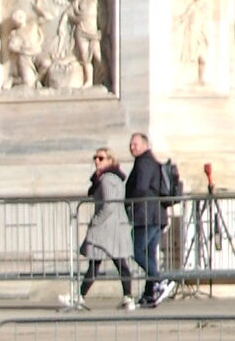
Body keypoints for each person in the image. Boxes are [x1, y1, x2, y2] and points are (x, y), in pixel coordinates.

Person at [65, 147, 137, 310]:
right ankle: (127, 296)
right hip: (114, 227)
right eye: (95, 157)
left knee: (100, 263)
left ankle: (80, 296)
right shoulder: (115, 178)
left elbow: (109, 205)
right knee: (115, 263)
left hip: (107, 229)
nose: (97, 161)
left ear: (110, 160)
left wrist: (96, 221)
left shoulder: (107, 179)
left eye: (101, 158)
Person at [124, 131, 174, 306]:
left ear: (145, 145)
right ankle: (149, 293)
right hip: (156, 215)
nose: (132, 147)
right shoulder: (149, 161)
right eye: (131, 144)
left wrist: (129, 203)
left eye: (135, 144)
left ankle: (160, 280)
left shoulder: (144, 162)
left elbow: (141, 187)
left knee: (137, 252)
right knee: (149, 255)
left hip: (146, 215)